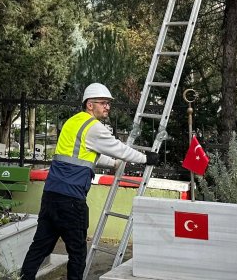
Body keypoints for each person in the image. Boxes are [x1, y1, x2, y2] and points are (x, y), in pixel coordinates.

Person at [20, 83, 160, 280]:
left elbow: (82, 154)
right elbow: (118, 148)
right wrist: (146, 158)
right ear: (89, 105)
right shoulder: (94, 127)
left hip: (51, 194)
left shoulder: (72, 123)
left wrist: (111, 163)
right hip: (71, 199)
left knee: (40, 246)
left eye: (109, 103)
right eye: (103, 103)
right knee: (77, 253)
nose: (107, 107)